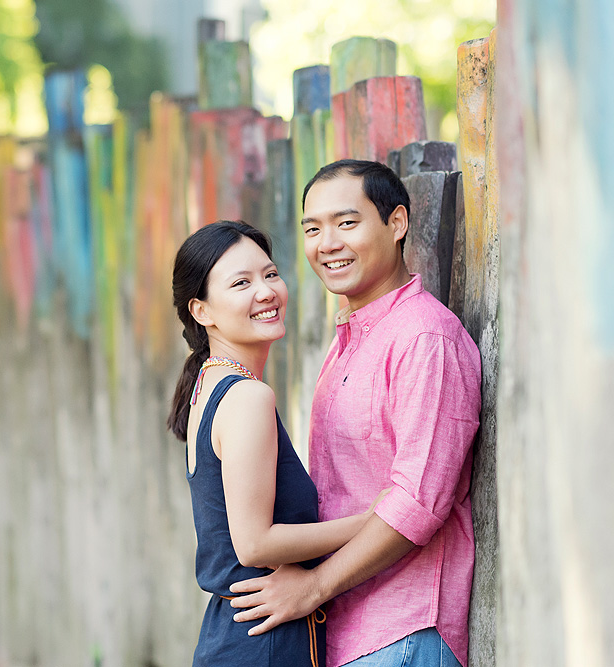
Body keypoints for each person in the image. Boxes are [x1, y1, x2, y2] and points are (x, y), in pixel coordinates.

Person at [228, 160, 482, 667]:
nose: (327, 243)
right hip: (348, 630)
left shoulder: (424, 339)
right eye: (312, 228)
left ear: (396, 223)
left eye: (347, 223)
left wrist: (314, 586)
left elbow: (417, 503)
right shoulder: (349, 337)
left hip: (402, 631)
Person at [167, 220, 389, 667]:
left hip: (237, 636)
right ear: (202, 311)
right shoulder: (247, 396)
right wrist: (374, 520)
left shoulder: (208, 386)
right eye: (241, 283)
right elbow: (254, 544)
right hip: (262, 644)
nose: (266, 291)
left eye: (270, 274)